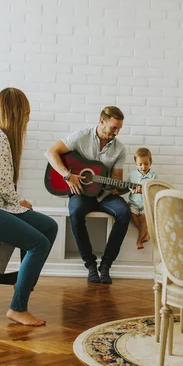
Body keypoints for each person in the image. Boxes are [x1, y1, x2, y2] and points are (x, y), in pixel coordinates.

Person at [0, 87, 58, 326]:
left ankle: (23, 283)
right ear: (15, 112)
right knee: (39, 242)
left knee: (49, 226)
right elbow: (3, 184)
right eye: (26, 112)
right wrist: (17, 200)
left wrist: (15, 201)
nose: (28, 117)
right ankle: (17, 308)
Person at [44, 106, 131, 284]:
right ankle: (90, 265)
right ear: (102, 121)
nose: (116, 132)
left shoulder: (120, 149)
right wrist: (67, 176)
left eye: (119, 128)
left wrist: (123, 187)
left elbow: (117, 180)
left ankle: (106, 265)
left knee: (124, 212)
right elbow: (50, 152)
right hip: (81, 193)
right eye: (114, 127)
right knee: (75, 212)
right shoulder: (81, 136)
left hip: (105, 195)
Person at [127, 147, 157, 250]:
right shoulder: (132, 175)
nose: (143, 167)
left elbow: (153, 192)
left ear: (150, 163)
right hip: (134, 202)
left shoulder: (153, 176)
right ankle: (146, 233)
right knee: (132, 214)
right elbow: (127, 187)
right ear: (136, 164)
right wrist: (130, 189)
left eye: (146, 164)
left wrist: (142, 191)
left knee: (144, 217)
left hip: (146, 203)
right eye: (140, 164)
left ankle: (139, 241)